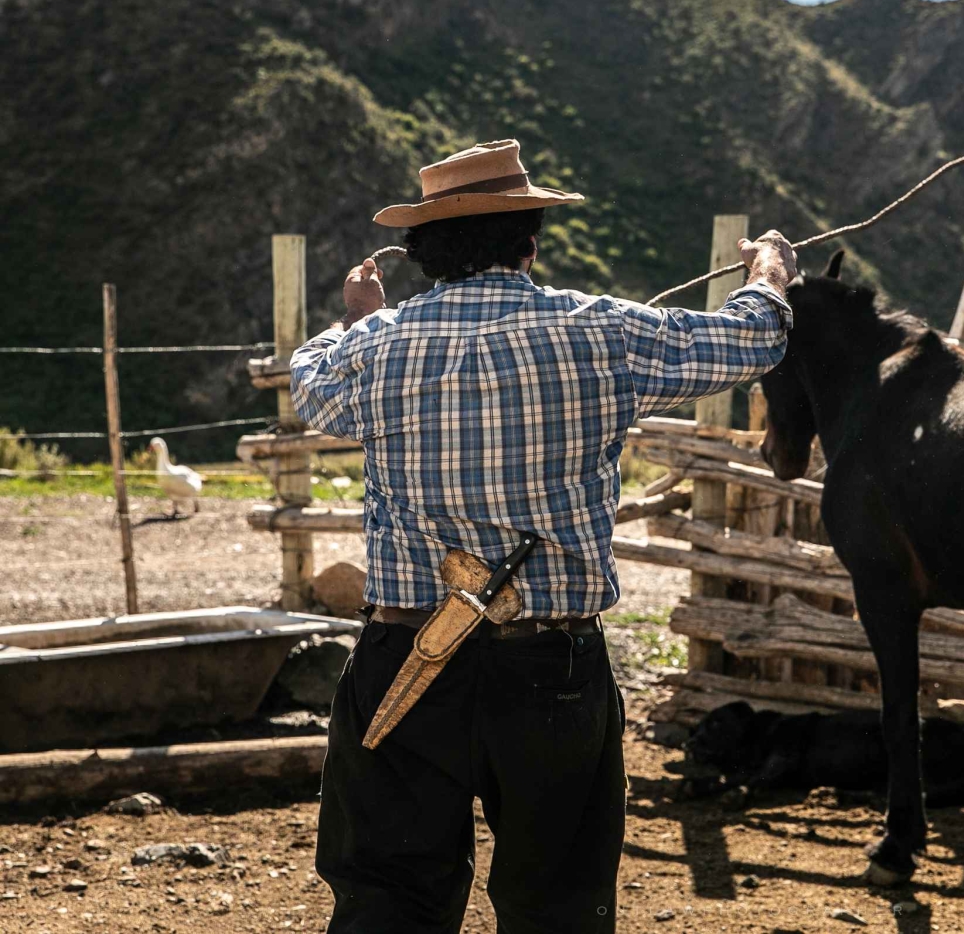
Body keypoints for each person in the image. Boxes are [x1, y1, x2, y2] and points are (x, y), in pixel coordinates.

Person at [288, 140, 795, 933]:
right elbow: (751, 341)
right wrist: (768, 274)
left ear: (422, 252)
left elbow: (310, 379)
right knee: (559, 901)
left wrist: (356, 318)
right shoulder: (601, 331)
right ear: (531, 240)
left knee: (387, 899)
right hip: (551, 668)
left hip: (405, 660)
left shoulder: (372, 346)